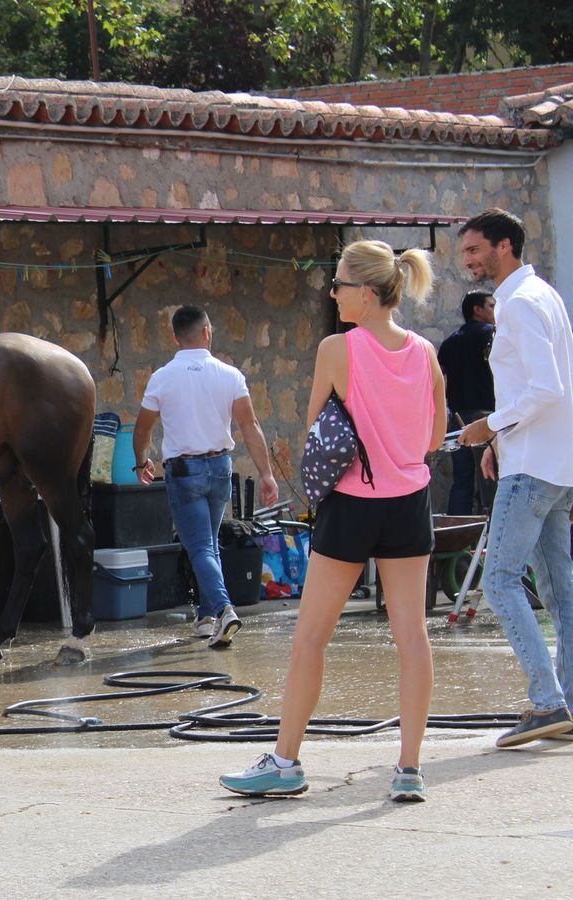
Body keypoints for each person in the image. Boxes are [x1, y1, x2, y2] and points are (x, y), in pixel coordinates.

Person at [221, 240, 443, 802]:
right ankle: (410, 770)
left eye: (340, 283)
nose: (332, 291)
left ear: (366, 295)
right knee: (412, 637)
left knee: (310, 639)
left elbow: (319, 426)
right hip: (410, 502)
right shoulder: (426, 353)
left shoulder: (337, 349)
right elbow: (434, 439)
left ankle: (286, 761)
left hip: (351, 503)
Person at [456, 208, 573, 748]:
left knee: (499, 582)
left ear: (505, 246)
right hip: (550, 461)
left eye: (474, 250)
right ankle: (564, 703)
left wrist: (489, 425)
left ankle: (548, 703)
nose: (468, 261)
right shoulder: (541, 294)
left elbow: (546, 388)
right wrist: (503, 437)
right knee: (559, 591)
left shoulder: (521, 303)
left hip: (532, 467)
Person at [133, 305, 279, 648]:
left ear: (174, 338)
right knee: (208, 544)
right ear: (207, 332)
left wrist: (142, 462)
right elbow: (249, 426)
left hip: (184, 473)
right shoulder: (230, 375)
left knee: (200, 547)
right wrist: (267, 474)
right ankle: (206, 615)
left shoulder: (162, 377)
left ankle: (225, 610)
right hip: (220, 469)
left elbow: (142, 429)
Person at [437, 289, 496, 515]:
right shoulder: (491, 334)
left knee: (462, 479)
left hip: (458, 417)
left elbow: (439, 374)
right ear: (477, 309)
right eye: (491, 306)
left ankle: (458, 533)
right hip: (485, 417)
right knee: (489, 476)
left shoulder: (451, 340)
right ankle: (488, 537)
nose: (495, 311)